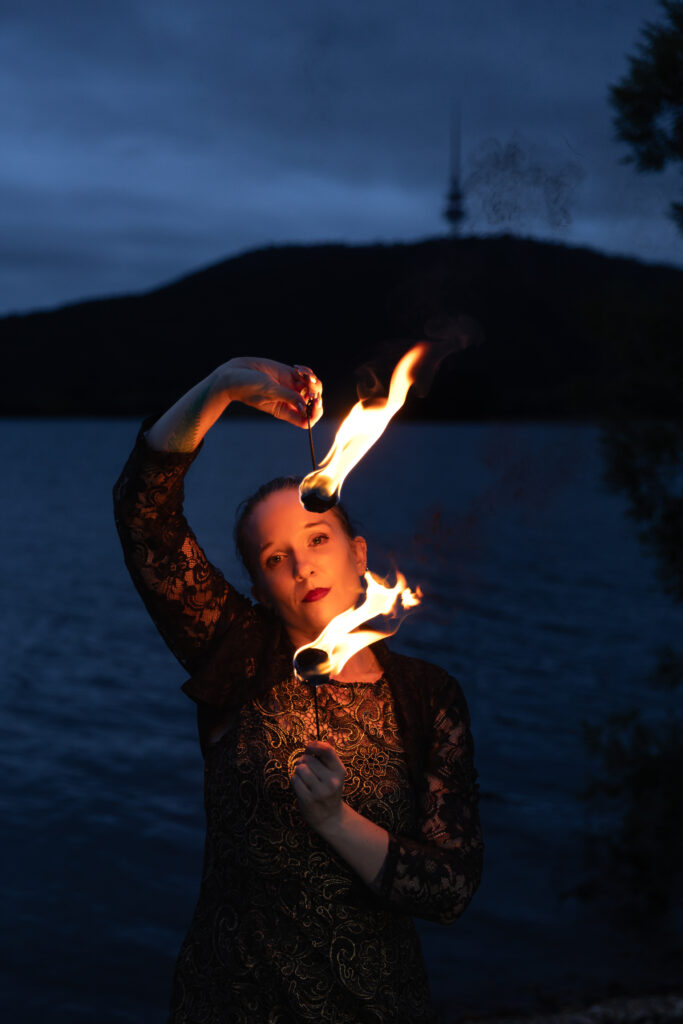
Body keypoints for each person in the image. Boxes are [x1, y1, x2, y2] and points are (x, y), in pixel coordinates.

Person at [113, 355, 484, 1024]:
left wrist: (335, 821)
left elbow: (450, 888)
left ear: (358, 553)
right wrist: (221, 384)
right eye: (274, 557)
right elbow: (145, 514)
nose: (301, 563)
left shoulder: (427, 696)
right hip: (226, 1001)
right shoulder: (237, 655)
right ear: (258, 586)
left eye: (316, 537)